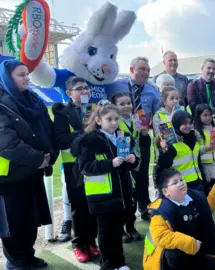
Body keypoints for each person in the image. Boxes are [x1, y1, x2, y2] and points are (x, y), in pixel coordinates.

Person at [0, 59, 58, 269]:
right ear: (8, 77)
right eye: (20, 75)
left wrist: (50, 155)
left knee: (31, 218)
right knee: (13, 223)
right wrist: (37, 158)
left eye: (27, 74)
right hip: (9, 176)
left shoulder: (33, 99)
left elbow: (47, 129)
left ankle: (28, 256)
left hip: (33, 171)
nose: (26, 78)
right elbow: (6, 141)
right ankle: (16, 262)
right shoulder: (1, 101)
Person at [71, 103, 138, 270]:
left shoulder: (122, 137)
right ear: (99, 121)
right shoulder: (90, 140)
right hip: (102, 196)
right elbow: (85, 167)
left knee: (116, 230)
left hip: (120, 194)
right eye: (109, 119)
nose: (114, 123)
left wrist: (133, 160)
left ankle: (119, 262)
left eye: (116, 119)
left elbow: (127, 164)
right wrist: (110, 163)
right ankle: (108, 264)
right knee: (106, 233)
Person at [52, 76, 99, 262]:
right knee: (78, 207)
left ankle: (92, 241)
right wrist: (84, 131)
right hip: (74, 166)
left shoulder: (95, 110)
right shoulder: (62, 112)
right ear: (69, 93)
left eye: (86, 87)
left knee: (93, 203)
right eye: (79, 88)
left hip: (94, 164)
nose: (84, 91)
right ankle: (79, 244)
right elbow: (61, 139)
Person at [143, 168, 215, 270]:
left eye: (181, 180)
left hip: (196, 249)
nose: (181, 183)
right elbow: (161, 235)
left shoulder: (194, 196)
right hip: (173, 257)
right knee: (173, 255)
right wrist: (189, 243)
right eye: (175, 182)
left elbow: (206, 209)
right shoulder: (161, 210)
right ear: (165, 192)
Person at [110, 56, 161, 222]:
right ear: (132, 70)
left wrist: (151, 128)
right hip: (120, 139)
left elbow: (158, 116)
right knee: (123, 175)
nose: (146, 73)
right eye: (142, 69)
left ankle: (144, 206)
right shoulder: (116, 85)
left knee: (142, 174)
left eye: (148, 70)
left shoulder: (152, 90)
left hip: (142, 139)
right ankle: (125, 212)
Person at [110, 92, 143, 243]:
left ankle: (131, 225)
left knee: (133, 196)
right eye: (121, 104)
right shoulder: (115, 123)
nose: (126, 106)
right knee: (121, 196)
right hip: (121, 165)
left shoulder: (135, 119)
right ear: (114, 107)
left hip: (134, 163)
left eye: (128, 103)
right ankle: (120, 229)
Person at [156, 110, 204, 191]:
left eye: (190, 123)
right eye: (184, 123)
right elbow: (164, 164)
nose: (188, 126)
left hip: (198, 182)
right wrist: (164, 150)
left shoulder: (195, 138)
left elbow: (198, 162)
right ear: (177, 124)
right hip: (181, 185)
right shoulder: (171, 142)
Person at [193, 104, 215, 190]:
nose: (208, 118)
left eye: (210, 115)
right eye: (205, 115)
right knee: (208, 188)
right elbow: (194, 150)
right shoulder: (196, 131)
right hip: (204, 165)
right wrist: (206, 148)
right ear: (198, 116)